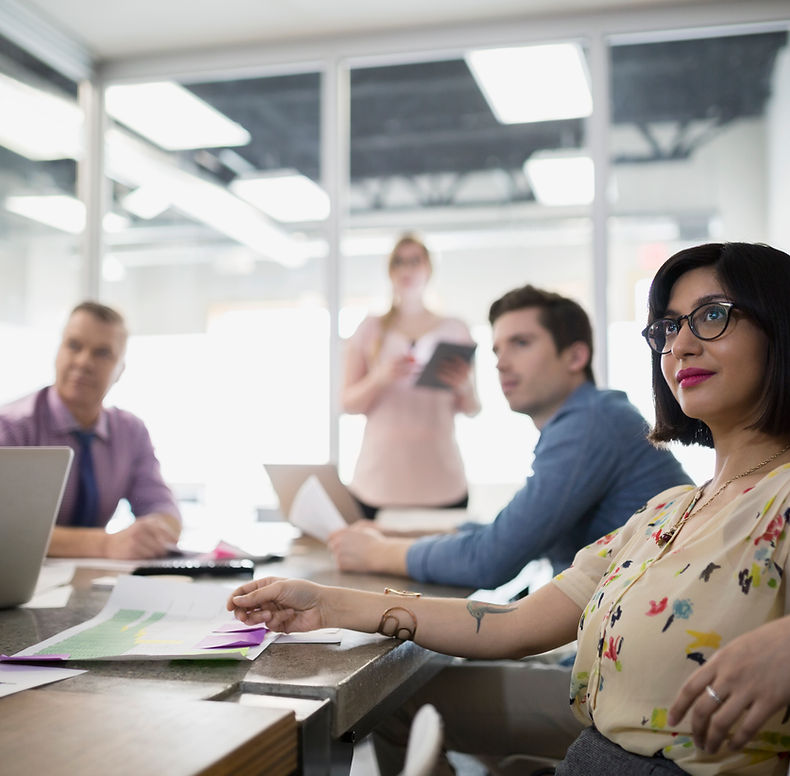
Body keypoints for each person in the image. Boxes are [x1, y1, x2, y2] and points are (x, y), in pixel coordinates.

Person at [229, 242, 790, 775]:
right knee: (397, 694)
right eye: (668, 327)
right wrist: (328, 604)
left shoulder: (774, 493)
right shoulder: (668, 511)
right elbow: (515, 624)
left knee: (405, 699)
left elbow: (494, 556)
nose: (681, 345)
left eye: (712, 316)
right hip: (592, 751)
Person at [330, 283, 691, 589]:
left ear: (576, 356)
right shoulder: (589, 419)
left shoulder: (591, 423)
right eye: (497, 349)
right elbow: (511, 531)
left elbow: (490, 559)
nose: (501, 362)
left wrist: (376, 552)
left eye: (520, 343)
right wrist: (392, 535)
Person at [0, 301, 181, 559]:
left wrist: (152, 533)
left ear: (120, 370)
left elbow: (163, 508)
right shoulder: (10, 428)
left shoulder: (131, 431)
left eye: (102, 353)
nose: (84, 362)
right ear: (58, 351)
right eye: (74, 345)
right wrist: (105, 544)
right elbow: (6, 529)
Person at [342, 233, 480, 519]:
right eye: (399, 262)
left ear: (428, 268)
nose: (407, 270)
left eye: (415, 261)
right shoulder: (370, 329)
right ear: (390, 271)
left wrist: (464, 387)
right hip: (378, 483)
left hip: (442, 482)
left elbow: (473, 408)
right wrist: (378, 378)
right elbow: (347, 403)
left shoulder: (455, 329)